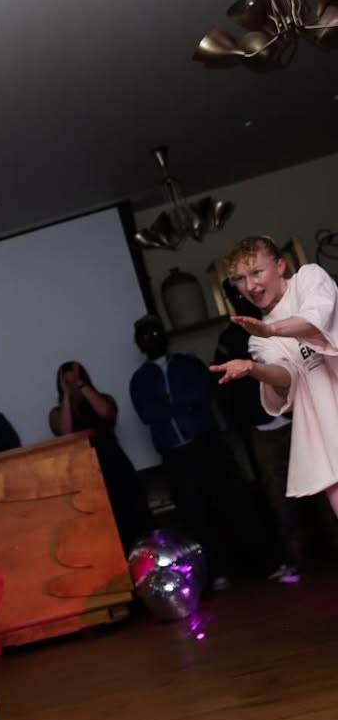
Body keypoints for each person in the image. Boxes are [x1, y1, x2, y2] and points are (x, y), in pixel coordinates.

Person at [211, 236, 338, 520]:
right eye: (240, 279)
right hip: (330, 438)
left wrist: (272, 330)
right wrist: (253, 369)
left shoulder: (308, 279)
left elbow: (316, 317)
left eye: (256, 272)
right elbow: (287, 379)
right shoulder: (258, 339)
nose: (250, 286)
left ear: (280, 266)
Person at [129, 315, 238, 589]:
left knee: (229, 501)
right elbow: (148, 414)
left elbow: (203, 393)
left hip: (206, 444)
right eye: (145, 336)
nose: (152, 339)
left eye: (155, 333)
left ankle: (254, 562)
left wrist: (170, 403)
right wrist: (180, 404)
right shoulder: (140, 379)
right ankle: (216, 573)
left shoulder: (188, 364)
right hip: (175, 456)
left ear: (165, 336)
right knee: (195, 516)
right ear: (139, 343)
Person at [212, 282, 303, 583]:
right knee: (280, 500)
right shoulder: (228, 340)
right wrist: (244, 423)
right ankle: (296, 561)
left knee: (324, 487)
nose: (243, 299)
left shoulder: (280, 323)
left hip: (299, 419)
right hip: (262, 428)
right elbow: (224, 390)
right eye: (235, 296)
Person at [48, 361, 151, 554]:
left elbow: (106, 412)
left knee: (134, 521)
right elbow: (65, 432)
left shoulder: (102, 399)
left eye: (75, 381)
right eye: (67, 383)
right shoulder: (57, 413)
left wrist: (81, 385)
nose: (73, 386)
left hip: (115, 467)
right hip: (84, 476)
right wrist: (67, 396)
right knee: (104, 531)